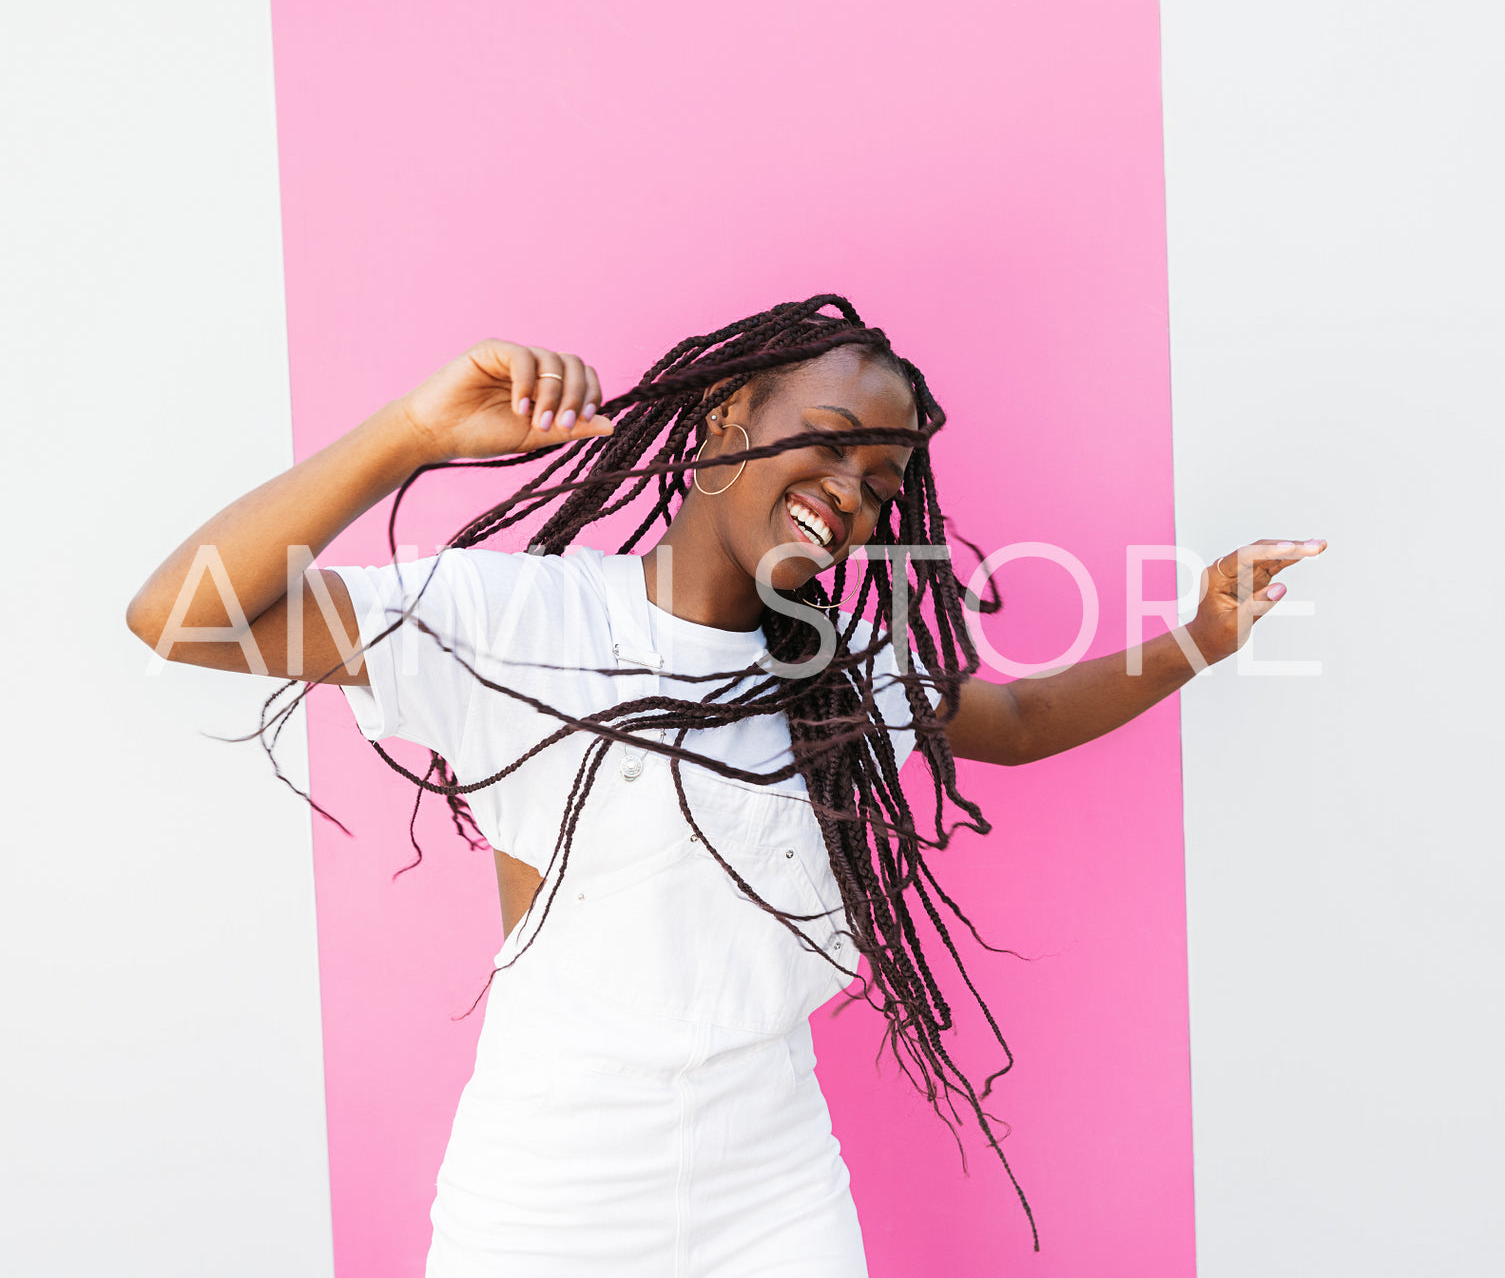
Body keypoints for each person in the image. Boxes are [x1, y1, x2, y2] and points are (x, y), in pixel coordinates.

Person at [126, 296, 1325, 1276]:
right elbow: (178, 613)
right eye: (829, 438)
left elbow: (1007, 718)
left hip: (775, 1189)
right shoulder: (508, 615)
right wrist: (412, 434)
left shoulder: (837, 668)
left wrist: (1199, 636)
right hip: (548, 1200)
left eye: (879, 474)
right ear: (718, 413)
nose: (852, 489)